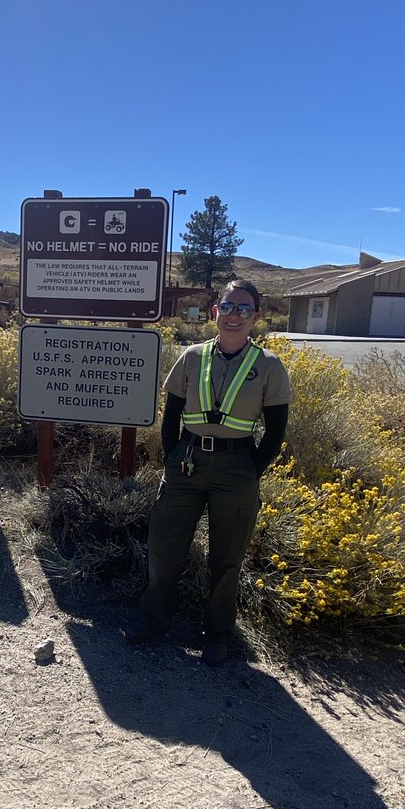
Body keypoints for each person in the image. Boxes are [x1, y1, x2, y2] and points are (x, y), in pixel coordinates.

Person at [125, 278, 291, 666]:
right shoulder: (192, 357)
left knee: (227, 557)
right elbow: (170, 419)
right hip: (187, 460)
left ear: (257, 318)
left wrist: (252, 471)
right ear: (215, 312)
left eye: (244, 309)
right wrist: (172, 459)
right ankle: (154, 618)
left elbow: (276, 431)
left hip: (237, 466)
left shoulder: (268, 366)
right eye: (229, 307)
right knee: (164, 546)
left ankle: (216, 634)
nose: (235, 316)